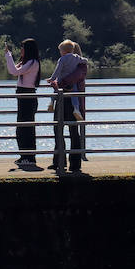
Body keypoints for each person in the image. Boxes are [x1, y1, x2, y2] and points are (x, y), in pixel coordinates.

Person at [45, 40, 85, 173]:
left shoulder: (64, 61)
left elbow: (58, 74)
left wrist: (54, 81)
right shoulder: (80, 63)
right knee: (73, 131)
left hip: (62, 99)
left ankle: (59, 161)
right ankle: (74, 163)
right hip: (73, 99)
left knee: (59, 130)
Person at [4, 38, 42, 169]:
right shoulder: (27, 62)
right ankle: (24, 156)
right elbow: (14, 70)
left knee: (26, 128)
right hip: (23, 96)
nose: (21, 50)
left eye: (23, 48)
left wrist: (8, 55)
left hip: (27, 97)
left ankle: (29, 157)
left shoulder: (32, 62)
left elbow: (14, 71)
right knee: (21, 127)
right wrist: (9, 56)